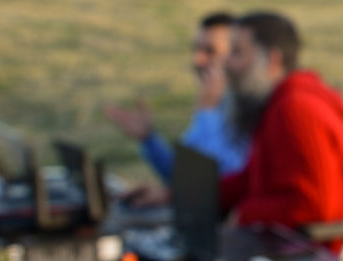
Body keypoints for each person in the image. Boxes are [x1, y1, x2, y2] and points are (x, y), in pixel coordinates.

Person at [220, 11, 343, 261]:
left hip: (328, 260)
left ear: (273, 60)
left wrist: (245, 214)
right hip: (296, 249)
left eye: (237, 53)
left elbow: (312, 206)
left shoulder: (296, 110)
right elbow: (252, 179)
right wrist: (180, 194)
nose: (227, 63)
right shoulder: (279, 103)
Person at [102, 11, 250, 182]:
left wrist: (207, 113)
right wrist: (148, 139)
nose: (197, 60)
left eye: (210, 51)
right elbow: (182, 177)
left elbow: (224, 179)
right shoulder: (213, 105)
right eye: (195, 49)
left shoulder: (249, 111)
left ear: (235, 56)